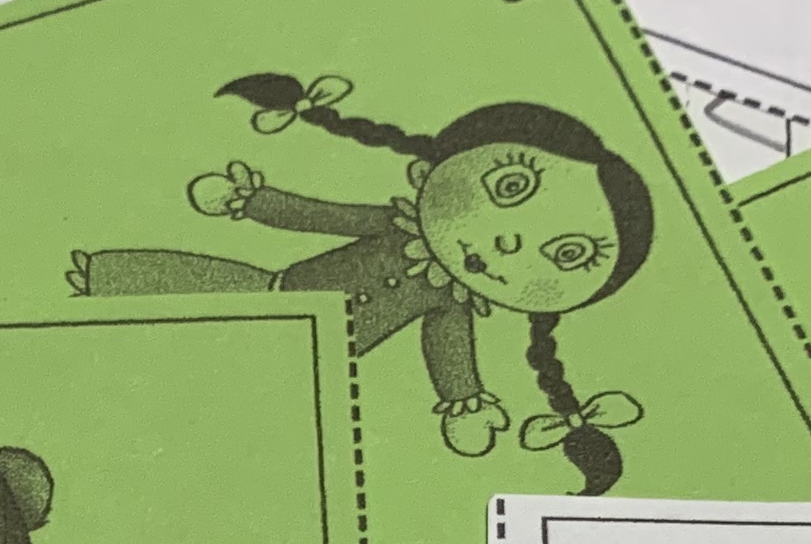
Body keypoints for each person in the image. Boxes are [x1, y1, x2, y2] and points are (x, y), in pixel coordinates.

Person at [70, 75, 654, 486]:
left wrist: (463, 401)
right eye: (509, 187)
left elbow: (446, 347)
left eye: (568, 254)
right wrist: (252, 201)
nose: (508, 243)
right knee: (210, 287)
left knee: (225, 397)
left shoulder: (450, 302)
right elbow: (322, 215)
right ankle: (103, 277)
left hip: (318, 356)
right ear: (434, 165)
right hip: (279, 292)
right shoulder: (394, 226)